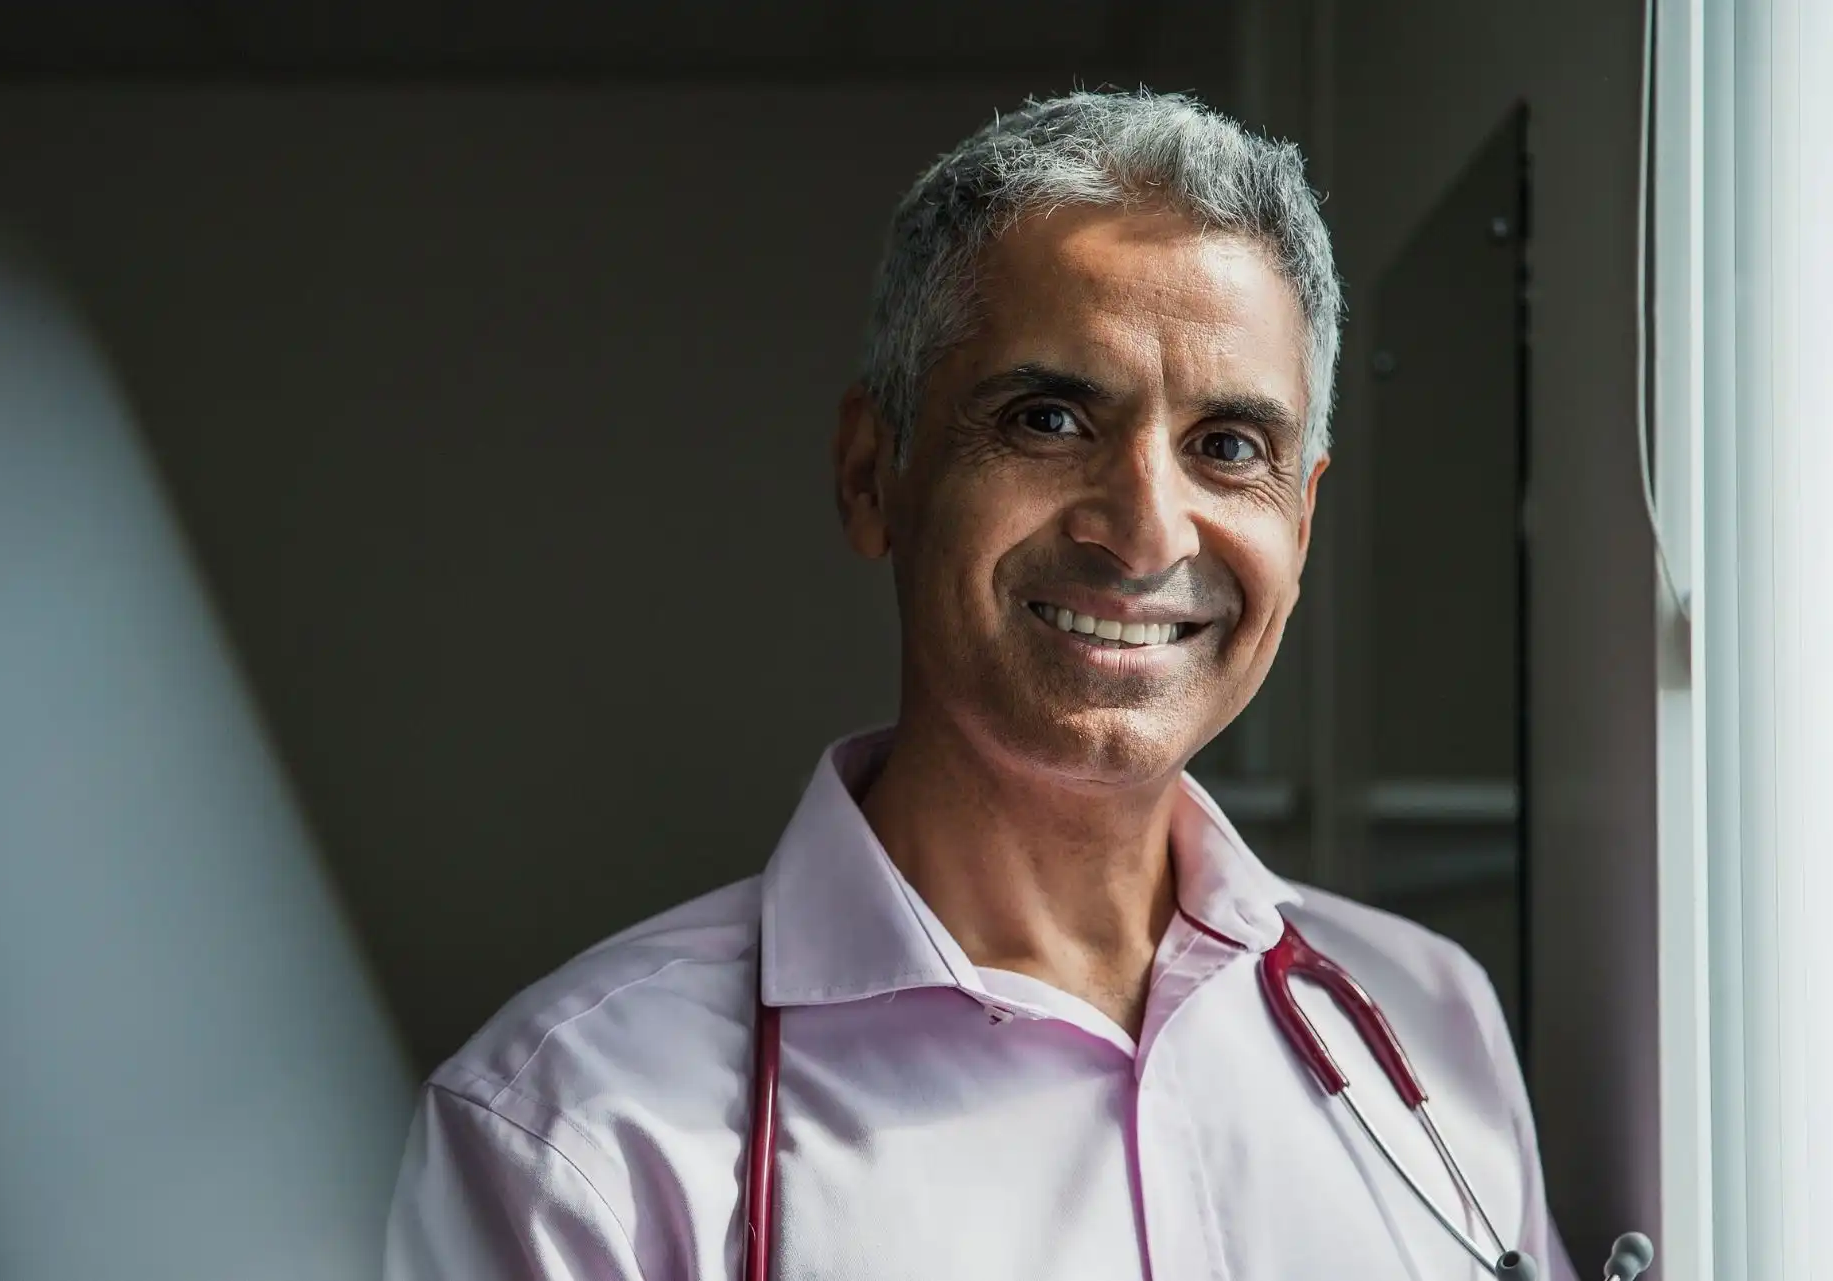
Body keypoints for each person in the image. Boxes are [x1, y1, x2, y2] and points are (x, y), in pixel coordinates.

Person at [384, 89, 1574, 1280]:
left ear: (1300, 525)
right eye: (1050, 419)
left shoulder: (1425, 1026)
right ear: (871, 477)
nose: (1149, 534)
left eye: (1227, 447)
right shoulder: (575, 1135)